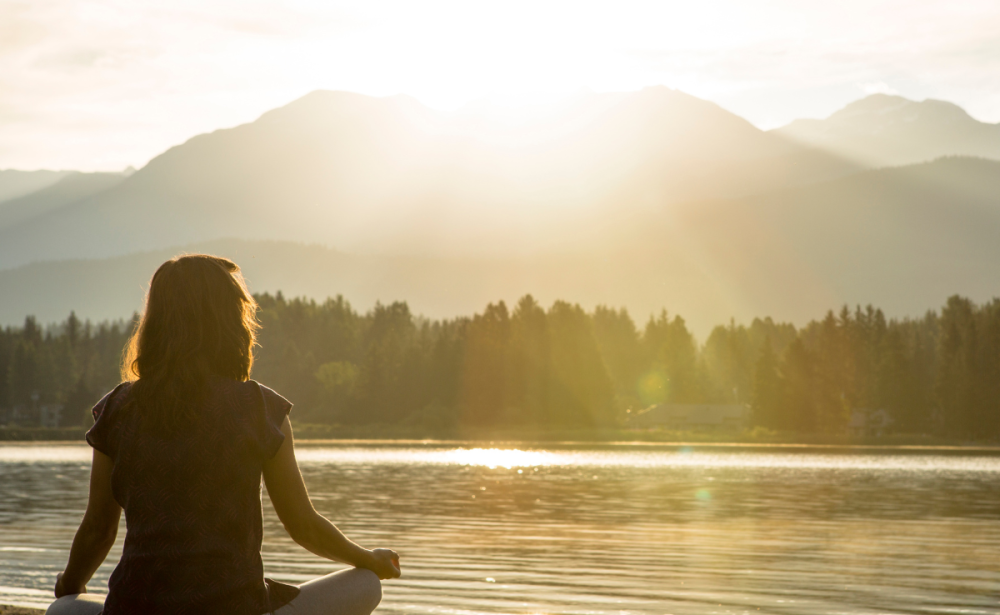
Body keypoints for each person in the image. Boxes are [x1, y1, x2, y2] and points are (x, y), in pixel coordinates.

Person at [46, 254, 400, 615]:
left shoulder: (117, 408)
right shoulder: (261, 408)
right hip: (235, 607)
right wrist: (368, 559)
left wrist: (70, 586)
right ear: (231, 320)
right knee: (365, 584)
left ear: (156, 323)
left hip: (135, 608)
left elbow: (98, 531)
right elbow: (303, 526)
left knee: (62, 611)